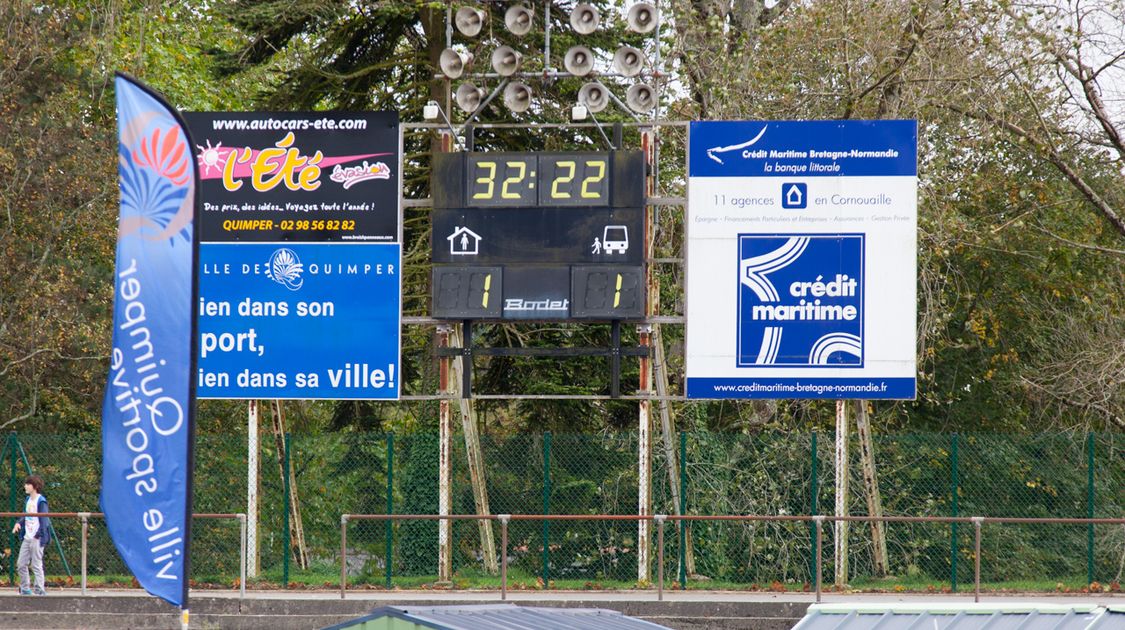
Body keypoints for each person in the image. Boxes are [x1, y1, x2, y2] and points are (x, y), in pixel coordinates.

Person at [12, 475, 51, 595]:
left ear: (35, 486)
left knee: (36, 564)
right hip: (27, 537)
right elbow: (26, 514)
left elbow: (44, 520)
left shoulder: (41, 501)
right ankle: (25, 588)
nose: (25, 486)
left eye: (28, 484)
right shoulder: (28, 500)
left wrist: (38, 535)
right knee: (21, 564)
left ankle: (39, 589)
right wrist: (18, 523)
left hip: (37, 537)